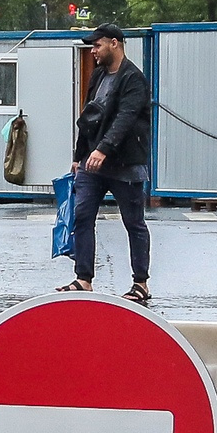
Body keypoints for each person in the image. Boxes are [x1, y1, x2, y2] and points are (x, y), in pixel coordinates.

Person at [59, 22, 152, 304]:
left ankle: (141, 283)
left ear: (114, 43)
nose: (94, 51)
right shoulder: (98, 75)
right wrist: (79, 156)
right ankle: (83, 279)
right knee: (82, 215)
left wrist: (104, 149)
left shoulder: (134, 79)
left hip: (125, 163)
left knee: (133, 223)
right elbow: (88, 117)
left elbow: (125, 118)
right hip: (93, 163)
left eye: (97, 45)